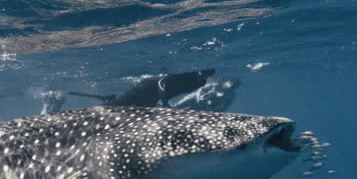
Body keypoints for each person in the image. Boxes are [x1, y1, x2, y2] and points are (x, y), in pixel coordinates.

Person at [68, 68, 213, 108]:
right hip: (146, 87)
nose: (202, 74)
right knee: (118, 105)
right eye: (202, 72)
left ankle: (110, 99)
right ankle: (107, 103)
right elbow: (163, 82)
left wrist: (163, 100)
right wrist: (164, 102)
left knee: (139, 112)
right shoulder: (187, 73)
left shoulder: (200, 83)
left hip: (155, 96)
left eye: (206, 73)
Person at [171, 77, 242, 112]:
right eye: (231, 83)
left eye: (234, 85)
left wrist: (220, 112)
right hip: (194, 97)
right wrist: (198, 99)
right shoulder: (215, 85)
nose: (231, 86)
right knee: (177, 106)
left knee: (190, 111)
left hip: (204, 104)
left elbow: (227, 104)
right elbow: (200, 90)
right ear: (226, 82)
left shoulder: (232, 95)